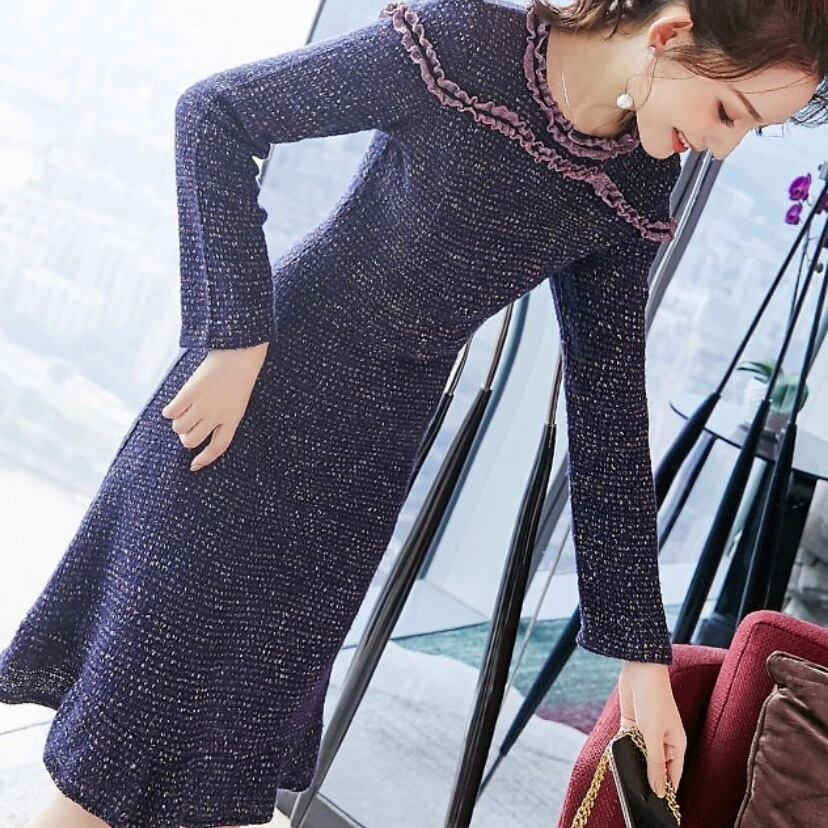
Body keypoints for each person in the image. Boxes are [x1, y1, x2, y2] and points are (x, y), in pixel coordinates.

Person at [2, 0, 824, 826]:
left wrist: (642, 661)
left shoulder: (633, 184)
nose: (724, 145)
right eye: (729, 112)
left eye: (753, 131)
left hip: (356, 480)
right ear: (670, 33)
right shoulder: (460, 46)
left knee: (205, 771)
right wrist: (237, 337)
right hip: (243, 412)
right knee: (113, 760)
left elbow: (608, 414)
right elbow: (216, 114)